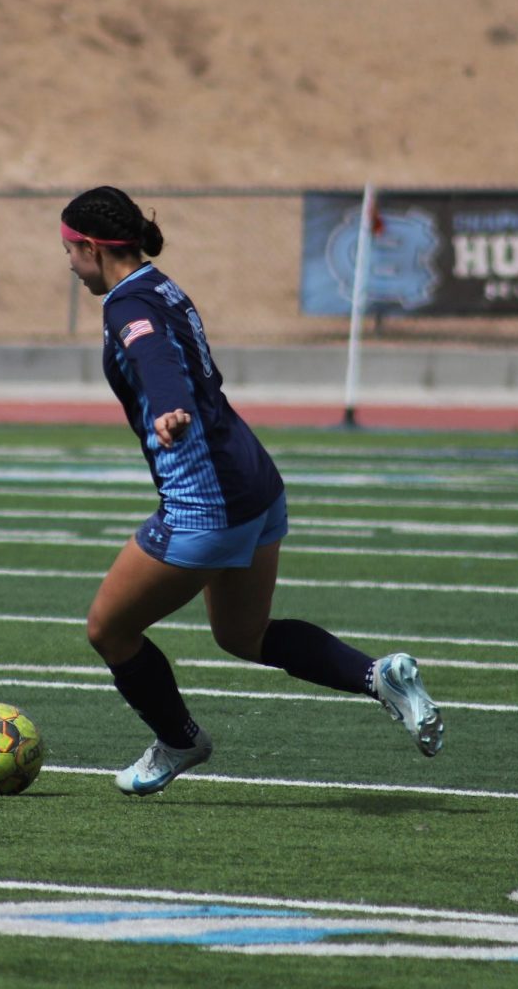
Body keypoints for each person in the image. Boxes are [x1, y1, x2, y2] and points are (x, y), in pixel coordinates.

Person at [61, 185, 444, 796]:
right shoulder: (163, 284)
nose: (70, 265)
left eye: (70, 252)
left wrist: (167, 406)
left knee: (108, 629)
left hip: (206, 501)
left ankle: (179, 741)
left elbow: (153, 355)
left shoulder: (123, 306)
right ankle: (379, 677)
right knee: (243, 634)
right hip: (255, 482)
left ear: (90, 247)